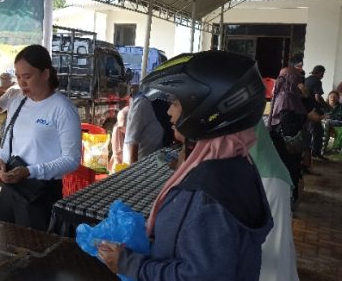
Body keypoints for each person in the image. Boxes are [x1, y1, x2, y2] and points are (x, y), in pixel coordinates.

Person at [97, 50, 273, 280]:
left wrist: (129, 264)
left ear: (205, 109)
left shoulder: (210, 191)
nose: (169, 111)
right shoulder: (234, 163)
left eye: (177, 103)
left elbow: (199, 275)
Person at [0, 45, 82, 231]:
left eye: (27, 76)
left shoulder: (62, 108)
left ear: (45, 74)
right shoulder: (17, 100)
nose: (22, 83)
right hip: (11, 188)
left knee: (34, 252)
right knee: (1, 241)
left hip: (41, 193)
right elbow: (8, 140)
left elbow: (72, 160)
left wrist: (31, 171)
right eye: (18, 77)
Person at [250, 122, 299, 281]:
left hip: (267, 179)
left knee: (273, 245)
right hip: (265, 176)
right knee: (277, 244)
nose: (169, 112)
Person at [268, 67, 308, 201]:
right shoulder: (287, 97)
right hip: (286, 143)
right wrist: (305, 117)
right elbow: (288, 123)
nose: (298, 81)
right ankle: (288, 198)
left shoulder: (290, 94)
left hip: (285, 142)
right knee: (290, 169)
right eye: (296, 78)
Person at [122, 92, 165, 164]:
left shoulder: (162, 101)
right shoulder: (143, 103)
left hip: (157, 161)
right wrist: (134, 169)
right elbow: (132, 141)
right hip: (142, 163)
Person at [304, 65, 326, 159]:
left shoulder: (306, 79)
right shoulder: (317, 81)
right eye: (323, 73)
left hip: (305, 109)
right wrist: (325, 105)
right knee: (318, 131)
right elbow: (317, 97)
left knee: (309, 131)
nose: (323, 76)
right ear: (320, 72)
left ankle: (309, 153)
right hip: (313, 110)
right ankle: (315, 152)